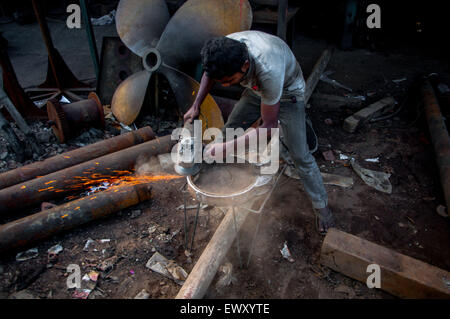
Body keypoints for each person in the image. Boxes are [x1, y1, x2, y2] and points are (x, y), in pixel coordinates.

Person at [184, 30, 334, 234]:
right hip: (257, 90)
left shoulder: (268, 70)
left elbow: (269, 126)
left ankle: (322, 207)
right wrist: (196, 105)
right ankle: (216, 186)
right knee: (229, 131)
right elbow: (210, 74)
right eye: (223, 82)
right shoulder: (223, 51)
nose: (226, 85)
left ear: (245, 66)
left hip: (288, 93)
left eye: (229, 80)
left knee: (300, 155)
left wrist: (226, 148)